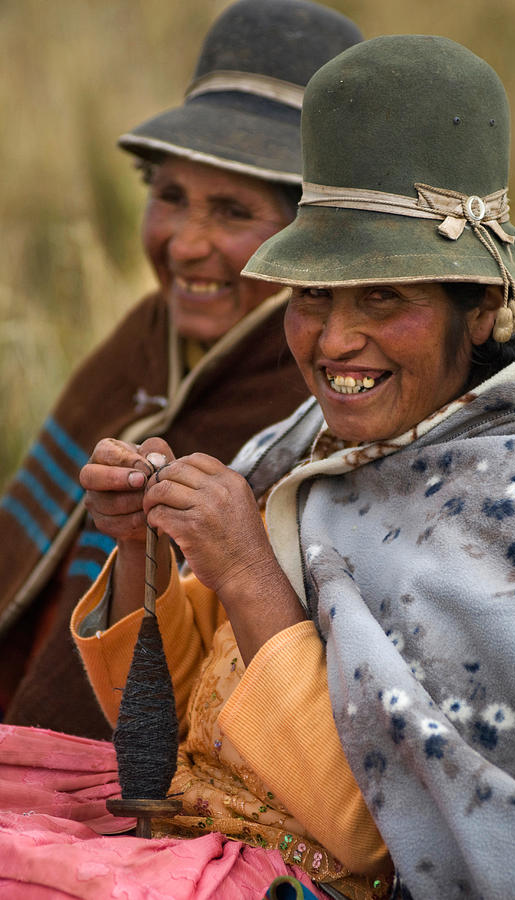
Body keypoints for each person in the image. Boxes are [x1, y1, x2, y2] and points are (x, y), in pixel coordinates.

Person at [1, 32, 515, 900]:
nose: (333, 340)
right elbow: (165, 727)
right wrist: (142, 548)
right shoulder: (304, 445)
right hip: (182, 833)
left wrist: (248, 570)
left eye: (385, 297)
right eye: (313, 295)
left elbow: (389, 843)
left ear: (480, 311)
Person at [0, 0, 362, 739]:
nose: (187, 245)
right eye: (169, 197)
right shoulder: (146, 335)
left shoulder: (331, 392)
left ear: (314, 239)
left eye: (232, 212)